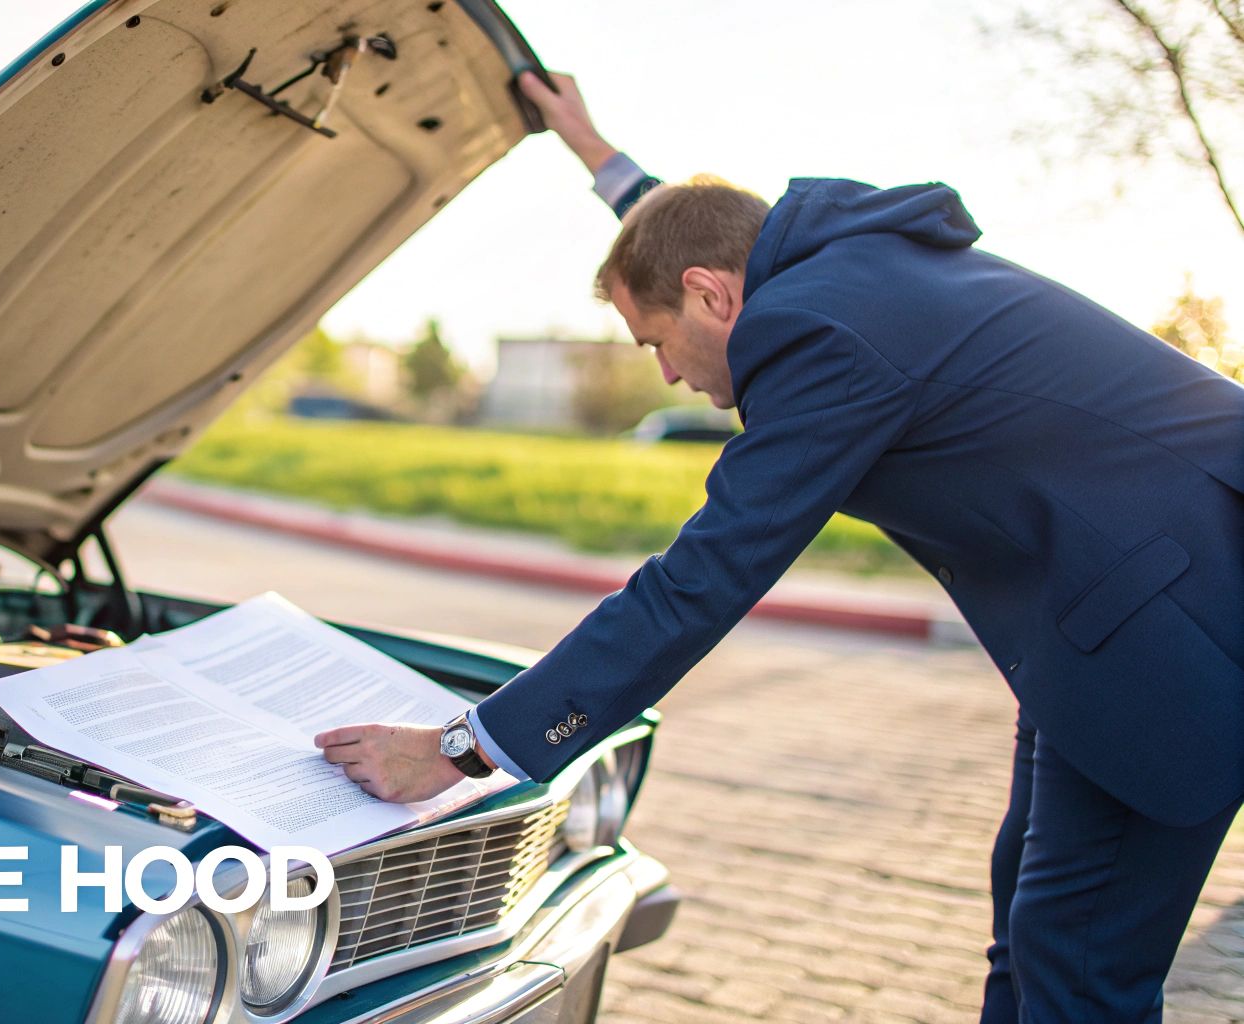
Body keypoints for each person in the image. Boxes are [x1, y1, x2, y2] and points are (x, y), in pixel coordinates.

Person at [314, 71, 1244, 1022]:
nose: (670, 374)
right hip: (1106, 617)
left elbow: (703, 579)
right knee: (1033, 914)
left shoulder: (817, 332)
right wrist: (597, 156)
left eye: (654, 344)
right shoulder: (828, 265)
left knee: (1077, 954)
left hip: (1175, 630)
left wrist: (466, 751)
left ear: (711, 297)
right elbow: (690, 235)